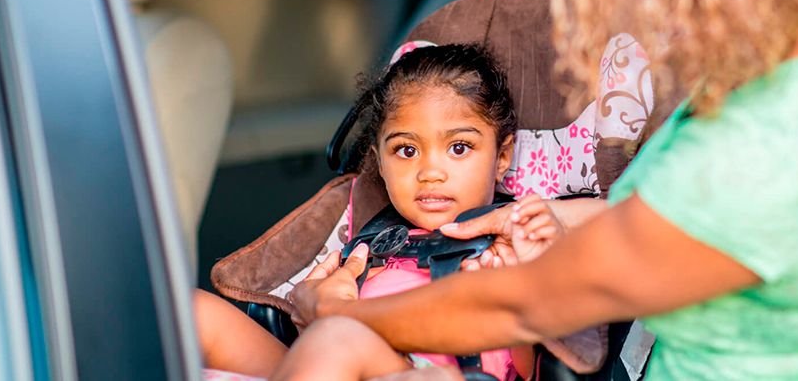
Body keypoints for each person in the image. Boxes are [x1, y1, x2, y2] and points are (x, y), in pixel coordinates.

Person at [287, 0, 798, 379]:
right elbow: (710, 236)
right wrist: (569, 215)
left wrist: (344, 315)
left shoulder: (754, 167)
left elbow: (520, 305)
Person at [199, 43, 569, 380]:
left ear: (502, 157)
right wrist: (316, 319)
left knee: (339, 338)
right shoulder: (368, 245)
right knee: (196, 312)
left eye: (459, 147)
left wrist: (516, 298)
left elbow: (534, 369)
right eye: (406, 151)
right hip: (338, 359)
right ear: (379, 163)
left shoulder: (515, 243)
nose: (431, 173)